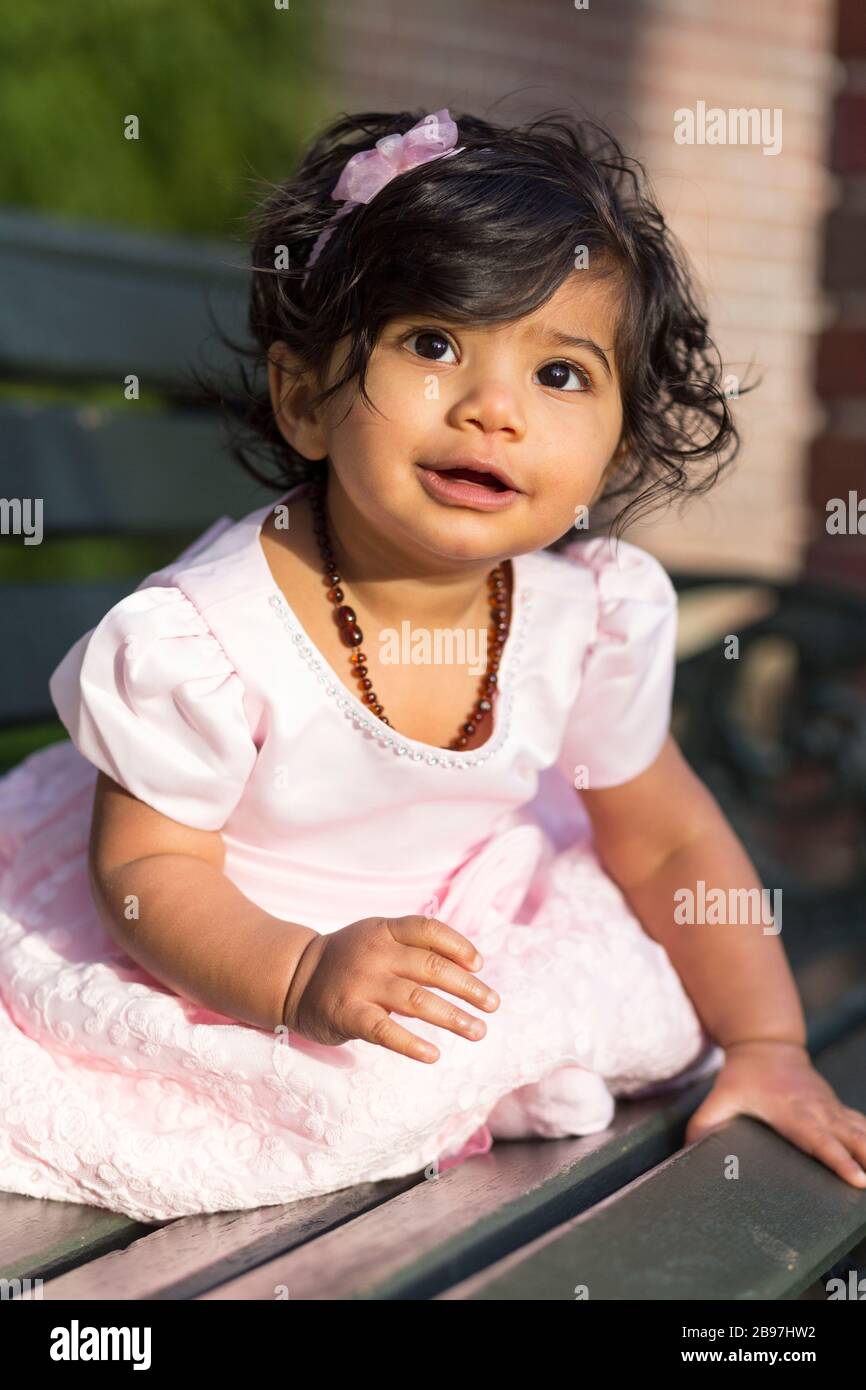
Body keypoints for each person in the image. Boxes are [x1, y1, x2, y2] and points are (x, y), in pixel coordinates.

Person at [2, 107, 864, 1224]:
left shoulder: (583, 616)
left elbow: (668, 834)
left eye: (559, 373)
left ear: (618, 444)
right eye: (432, 344)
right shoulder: (206, 640)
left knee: (599, 995)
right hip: (226, 928)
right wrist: (298, 975)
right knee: (331, 1100)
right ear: (307, 398)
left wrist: (765, 1042)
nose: (492, 408)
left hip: (457, 909)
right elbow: (149, 870)